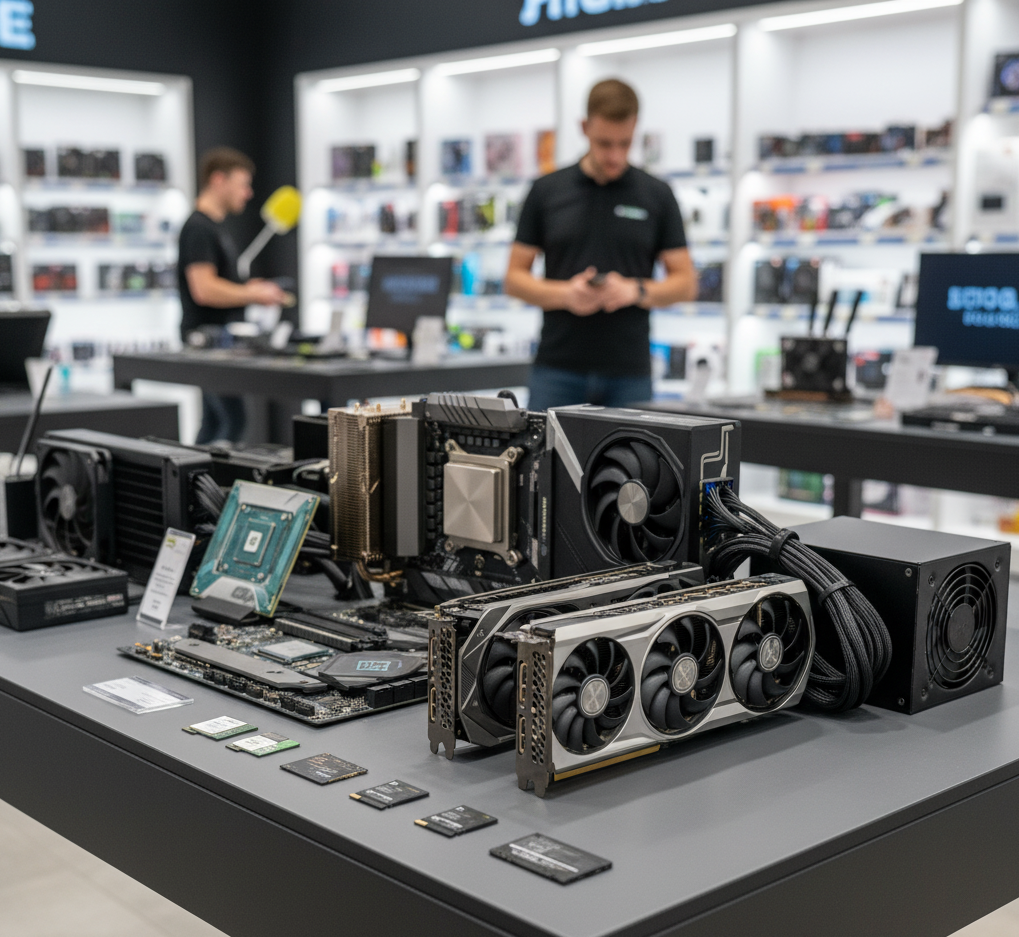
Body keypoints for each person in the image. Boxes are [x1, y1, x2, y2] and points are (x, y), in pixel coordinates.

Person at [504, 79, 698, 411]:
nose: (615, 156)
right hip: (557, 369)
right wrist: (566, 295)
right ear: (584, 127)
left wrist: (634, 291)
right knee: (547, 464)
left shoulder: (657, 194)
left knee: (633, 464)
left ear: (635, 128)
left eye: (625, 143)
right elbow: (514, 278)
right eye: (604, 143)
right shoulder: (546, 191)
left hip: (629, 373)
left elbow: (686, 284)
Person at [178, 147, 286, 443]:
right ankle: (211, 487)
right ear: (218, 180)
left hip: (217, 340)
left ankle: (193, 484)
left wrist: (250, 290)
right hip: (207, 341)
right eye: (242, 184)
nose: (248, 193)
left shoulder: (213, 228)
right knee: (233, 421)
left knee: (214, 422)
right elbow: (204, 288)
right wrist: (252, 295)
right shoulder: (199, 228)